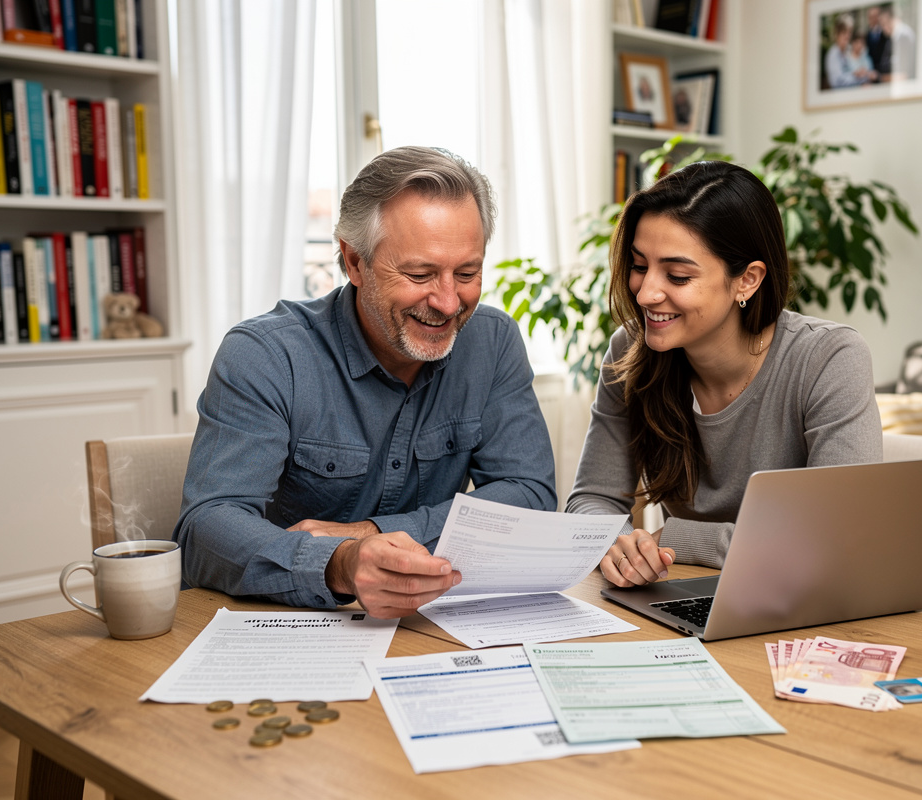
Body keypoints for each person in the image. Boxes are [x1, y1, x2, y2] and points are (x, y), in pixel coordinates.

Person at [176, 146, 557, 617]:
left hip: (433, 626)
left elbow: (530, 496)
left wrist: (374, 533)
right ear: (354, 262)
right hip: (294, 625)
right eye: (419, 273)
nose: (447, 301)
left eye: (467, 273)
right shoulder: (265, 355)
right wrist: (337, 564)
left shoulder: (493, 342)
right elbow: (205, 529)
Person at [566, 161, 882, 588]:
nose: (645, 292)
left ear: (747, 281)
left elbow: (835, 537)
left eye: (677, 275)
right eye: (640, 265)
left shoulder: (828, 359)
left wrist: (675, 537)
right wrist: (617, 543)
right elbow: (592, 499)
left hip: (799, 600)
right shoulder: (630, 351)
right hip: (682, 595)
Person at [877, 5, 916, 82]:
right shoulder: (894, 37)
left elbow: (904, 75)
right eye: (882, 25)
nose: (883, 28)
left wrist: (881, 78)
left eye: (885, 23)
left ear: (894, 19)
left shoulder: (904, 36)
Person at [824, 16, 860, 89]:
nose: (847, 36)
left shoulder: (849, 50)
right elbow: (837, 82)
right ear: (837, 34)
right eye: (844, 32)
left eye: (849, 32)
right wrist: (858, 78)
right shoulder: (833, 54)